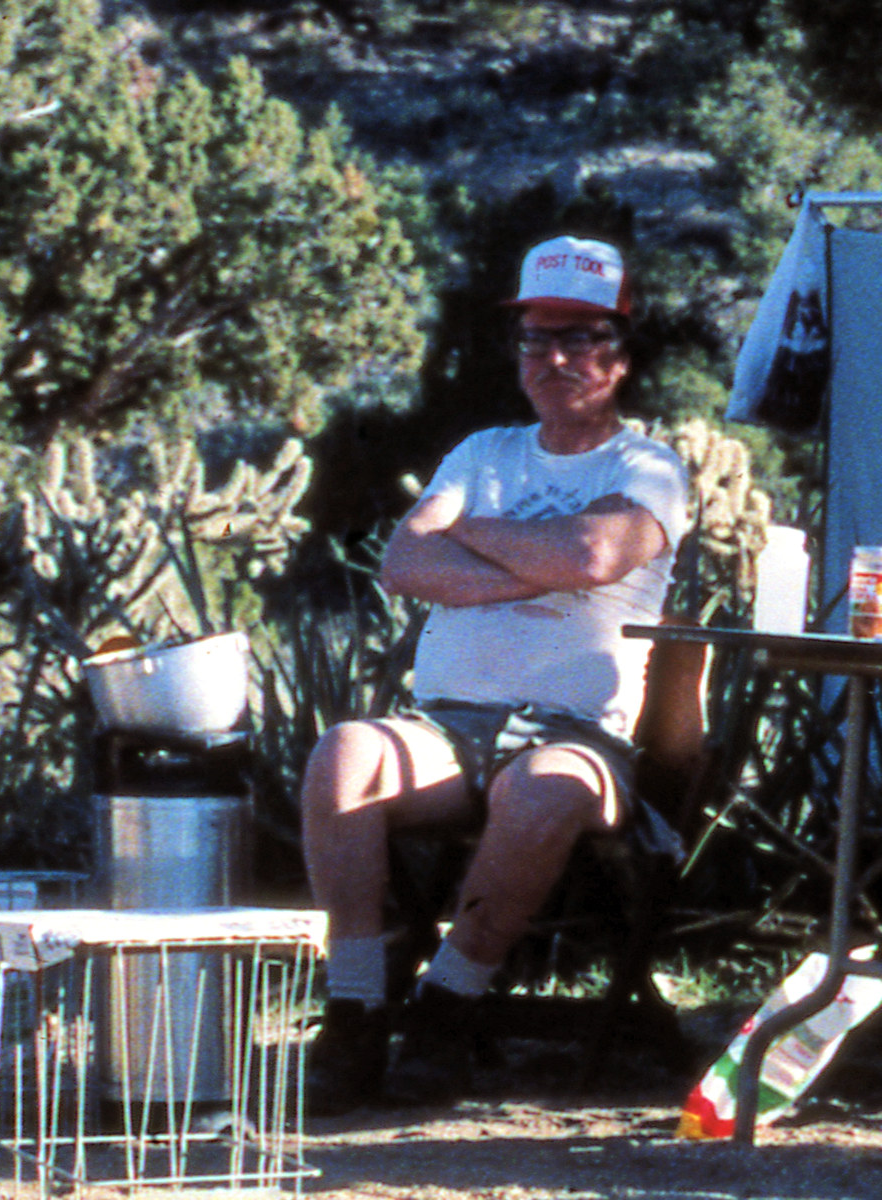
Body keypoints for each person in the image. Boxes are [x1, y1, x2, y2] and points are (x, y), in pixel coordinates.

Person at [301, 236, 690, 1111]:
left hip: (575, 735)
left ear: (622, 355)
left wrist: (474, 535)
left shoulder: (648, 468)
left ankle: (446, 1007)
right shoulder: (484, 451)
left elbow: (596, 551)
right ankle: (357, 1005)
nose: (557, 359)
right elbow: (403, 560)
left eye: (583, 338)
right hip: (446, 725)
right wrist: (537, 566)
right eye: (536, 339)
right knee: (344, 754)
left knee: (545, 791)